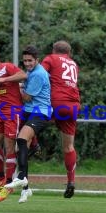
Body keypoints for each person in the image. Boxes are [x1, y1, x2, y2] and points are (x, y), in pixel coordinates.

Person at [3, 45, 52, 203]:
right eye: (25, 61)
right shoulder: (30, 71)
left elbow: (27, 98)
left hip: (40, 113)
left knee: (22, 140)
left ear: (37, 60)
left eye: (30, 60)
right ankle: (26, 189)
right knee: (19, 149)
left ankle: (21, 177)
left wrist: (13, 87)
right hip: (29, 112)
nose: (27, 63)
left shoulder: (38, 74)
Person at [0, 47, 28, 202]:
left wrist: (3, 80)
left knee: (9, 148)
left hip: (13, 113)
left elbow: (23, 75)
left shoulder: (7, 67)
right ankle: (1, 179)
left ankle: (9, 185)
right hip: (1, 113)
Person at [41, 40, 80, 198]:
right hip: (73, 105)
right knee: (69, 147)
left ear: (53, 50)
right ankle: (71, 181)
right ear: (69, 53)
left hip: (56, 102)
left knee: (25, 117)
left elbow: (40, 75)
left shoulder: (51, 58)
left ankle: (33, 146)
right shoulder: (73, 64)